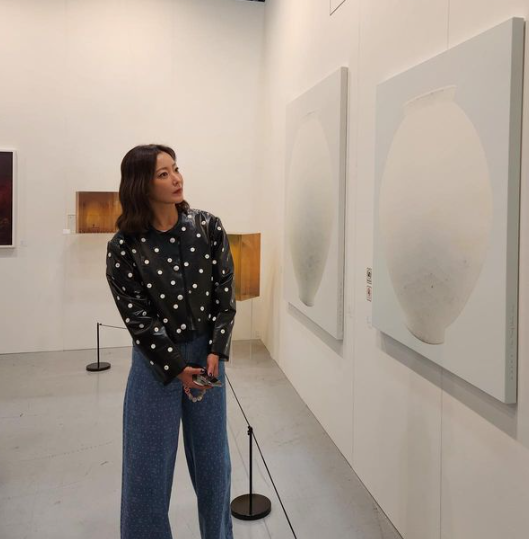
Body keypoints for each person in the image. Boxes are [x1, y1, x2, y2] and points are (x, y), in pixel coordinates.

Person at [105, 144, 236, 539]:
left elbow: (224, 293)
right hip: (155, 365)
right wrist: (177, 368)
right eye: (163, 174)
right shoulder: (124, 246)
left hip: (207, 357)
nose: (176, 179)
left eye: (175, 169)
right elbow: (138, 319)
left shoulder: (208, 227)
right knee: (146, 472)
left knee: (214, 466)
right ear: (141, 185)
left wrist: (216, 350)